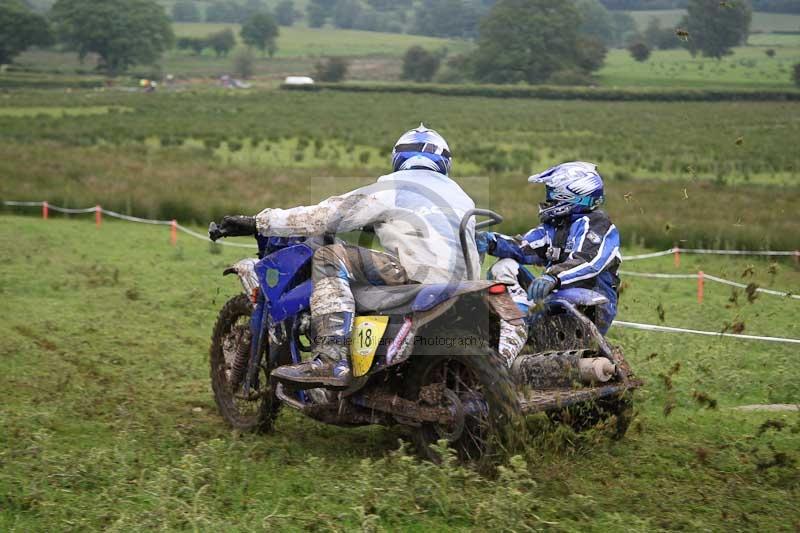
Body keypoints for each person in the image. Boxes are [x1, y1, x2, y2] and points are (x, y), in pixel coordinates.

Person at [211, 124, 478, 388]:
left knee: (329, 256)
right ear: (444, 163)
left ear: (399, 159)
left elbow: (325, 216)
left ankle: (331, 358)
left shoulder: (393, 187)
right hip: (464, 282)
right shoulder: (460, 195)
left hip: (416, 276)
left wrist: (259, 222)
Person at [477, 161, 621, 364]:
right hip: (554, 300)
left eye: (552, 194)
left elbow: (589, 261)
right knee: (504, 267)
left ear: (571, 194)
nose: (548, 199)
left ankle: (504, 355)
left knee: (514, 274)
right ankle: (515, 327)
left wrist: (553, 276)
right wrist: (491, 242)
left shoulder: (598, 224)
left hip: (589, 303)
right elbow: (522, 247)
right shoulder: (554, 227)